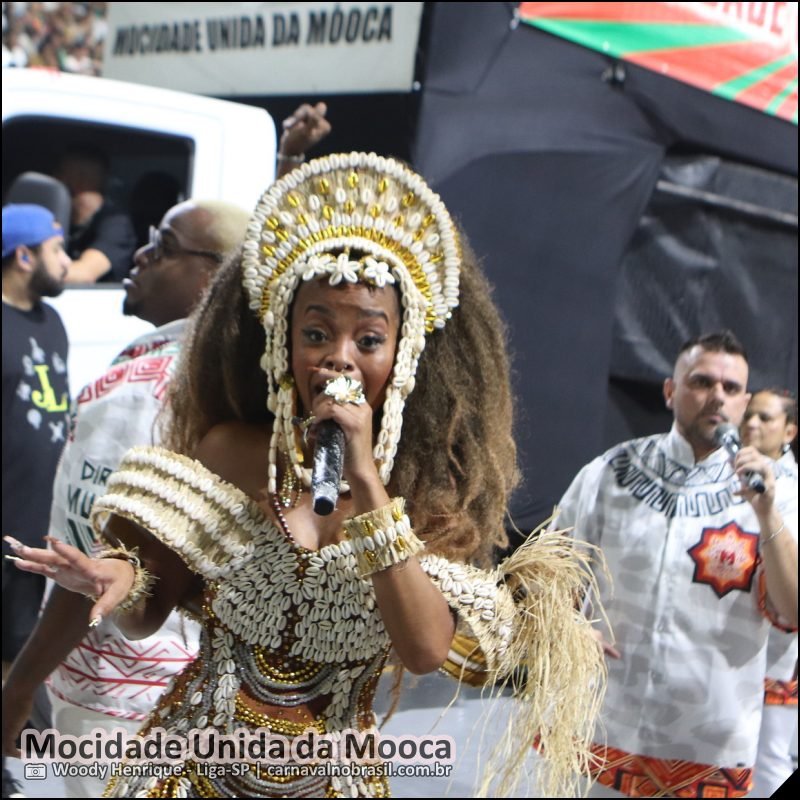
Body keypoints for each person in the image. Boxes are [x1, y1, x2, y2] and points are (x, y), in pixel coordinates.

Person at [8, 153, 605, 799]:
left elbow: (426, 649)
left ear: (403, 352)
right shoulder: (230, 450)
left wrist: (369, 481)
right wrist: (114, 580)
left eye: (368, 339)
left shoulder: (425, 498)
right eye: (316, 331)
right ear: (282, 341)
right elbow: (150, 609)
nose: (337, 357)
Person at [2, 199, 251, 799]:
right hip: (218, 697)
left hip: (119, 704)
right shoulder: (237, 388)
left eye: (161, 246)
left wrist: (17, 690)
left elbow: (91, 566)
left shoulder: (141, 392)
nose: (138, 256)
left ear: (213, 276)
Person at [551, 332, 798, 798]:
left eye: (730, 389)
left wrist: (767, 516)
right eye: (702, 381)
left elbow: (794, 611)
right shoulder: (610, 472)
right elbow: (548, 572)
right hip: (601, 722)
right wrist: (565, 623)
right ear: (670, 391)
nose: (716, 397)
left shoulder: (778, 493)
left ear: (744, 403)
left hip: (709, 742)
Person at [1, 203, 71, 798]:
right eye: (56, 248)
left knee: (21, 648)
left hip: (34, 529)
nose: (66, 260)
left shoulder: (52, 323)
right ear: (23, 256)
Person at [742, 388, 798, 798]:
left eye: (765, 418)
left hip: (776, 645)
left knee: (769, 760)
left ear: (790, 431)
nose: (752, 425)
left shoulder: (793, 491)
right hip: (726, 640)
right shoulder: (730, 471)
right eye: (748, 416)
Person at [54, 146, 137, 284]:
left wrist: (23, 272)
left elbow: (85, 273)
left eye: (60, 173)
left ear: (80, 181)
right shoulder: (62, 219)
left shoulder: (116, 225)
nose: (54, 179)